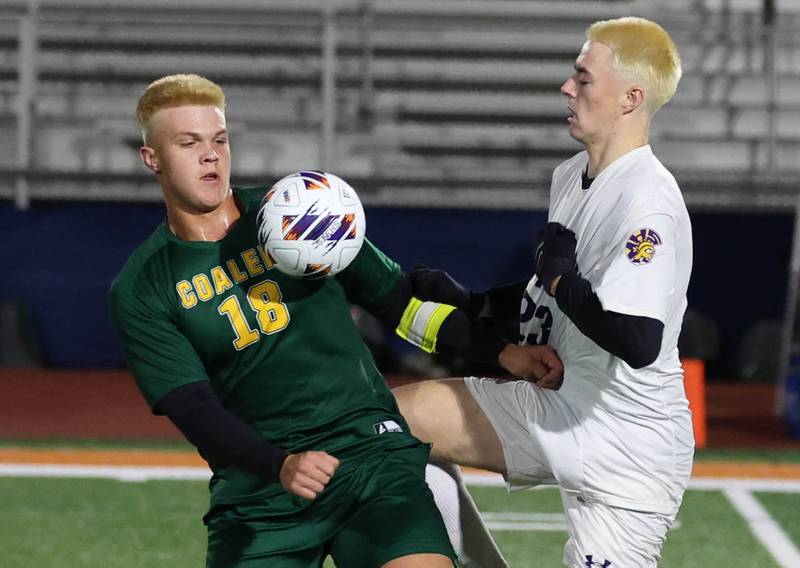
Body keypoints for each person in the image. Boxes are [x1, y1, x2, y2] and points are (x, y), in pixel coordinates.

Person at [108, 73, 561, 567]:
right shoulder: (143, 285)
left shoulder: (297, 209)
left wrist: (502, 353)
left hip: (369, 457)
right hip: (259, 496)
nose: (211, 155)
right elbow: (193, 408)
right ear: (152, 157)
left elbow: (402, 306)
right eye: (189, 143)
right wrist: (278, 465)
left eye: (219, 139)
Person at [395, 16, 693, 567]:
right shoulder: (573, 174)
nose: (567, 87)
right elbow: (557, 296)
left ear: (631, 97)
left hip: (624, 446)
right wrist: (476, 301)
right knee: (385, 428)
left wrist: (558, 272)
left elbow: (637, 337)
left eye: (583, 78)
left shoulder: (646, 201)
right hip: (553, 400)